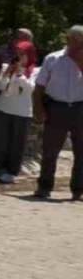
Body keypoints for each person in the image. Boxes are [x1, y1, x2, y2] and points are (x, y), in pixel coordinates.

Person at [32, 26, 83, 200]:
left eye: (81, 41)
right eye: (75, 40)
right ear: (68, 40)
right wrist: (38, 109)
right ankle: (44, 187)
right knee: (50, 151)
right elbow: (39, 87)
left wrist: (80, 63)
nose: (77, 44)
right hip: (56, 108)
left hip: (80, 108)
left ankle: (78, 190)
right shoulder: (53, 59)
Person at [0, 41, 37, 183]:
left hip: (22, 112)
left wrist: (21, 74)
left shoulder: (35, 71)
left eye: (22, 54)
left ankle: (12, 171)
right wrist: (7, 73)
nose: (19, 57)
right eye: (17, 54)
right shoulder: (6, 67)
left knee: (17, 143)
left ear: (29, 55)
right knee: (0, 140)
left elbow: (30, 89)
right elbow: (0, 86)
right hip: (3, 107)